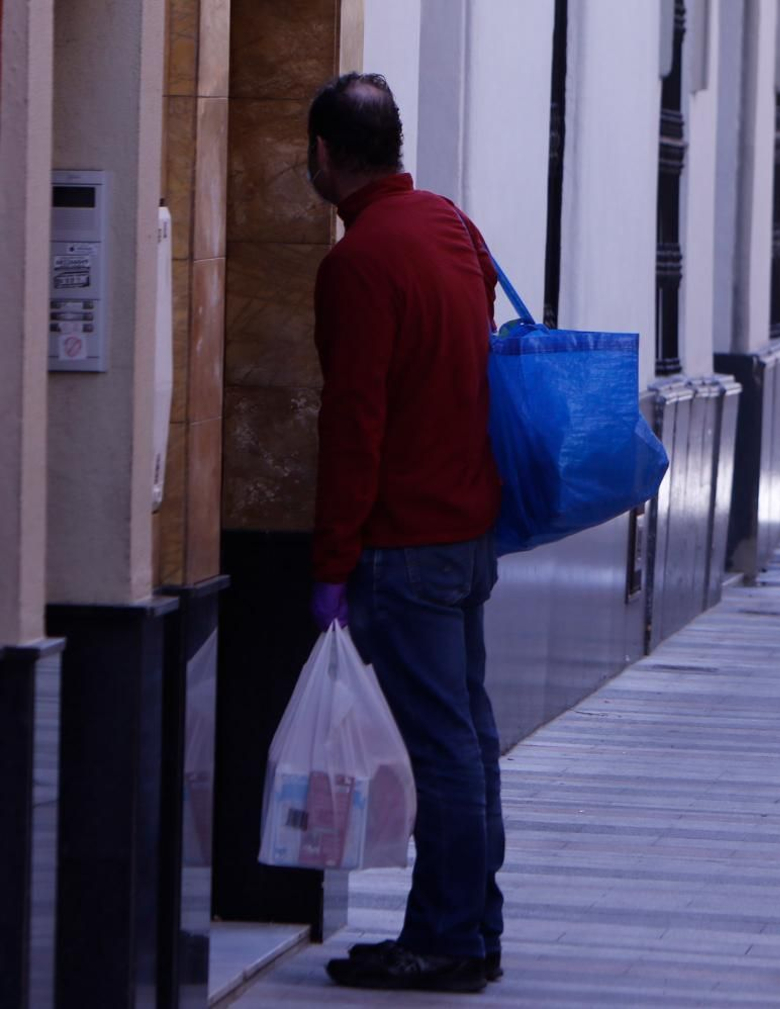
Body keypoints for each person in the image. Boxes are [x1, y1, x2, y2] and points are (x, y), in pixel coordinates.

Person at [303, 72, 505, 993]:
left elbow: (355, 426)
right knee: (467, 735)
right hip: (467, 533)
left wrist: (331, 564)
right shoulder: (451, 225)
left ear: (323, 154)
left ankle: (449, 939)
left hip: (406, 545)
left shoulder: (357, 264)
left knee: (441, 747)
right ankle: (468, 922)